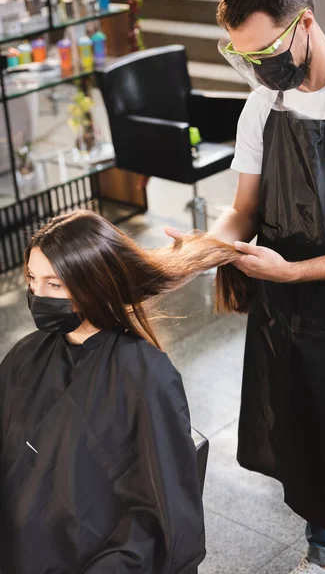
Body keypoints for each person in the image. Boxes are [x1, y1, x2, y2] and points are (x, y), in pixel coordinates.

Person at [165, 0, 325, 573]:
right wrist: (198, 251)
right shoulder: (262, 104)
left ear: (307, 26)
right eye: (244, 58)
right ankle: (318, 558)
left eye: (267, 55)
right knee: (299, 439)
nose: (259, 70)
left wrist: (294, 272)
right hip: (281, 310)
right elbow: (243, 210)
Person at [0, 209, 240, 573]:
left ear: (92, 283)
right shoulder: (28, 354)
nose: (37, 295)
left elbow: (160, 516)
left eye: (55, 284)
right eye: (33, 280)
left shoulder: (144, 375)